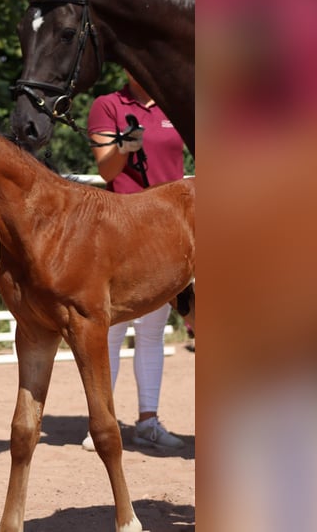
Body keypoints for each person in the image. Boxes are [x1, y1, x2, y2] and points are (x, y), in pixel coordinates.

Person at [82, 70, 186, 451]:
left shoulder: (176, 98)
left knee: (152, 330)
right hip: (119, 225)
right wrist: (123, 146)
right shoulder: (107, 105)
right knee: (109, 329)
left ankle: (148, 421)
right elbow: (105, 171)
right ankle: (101, 422)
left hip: (168, 227)